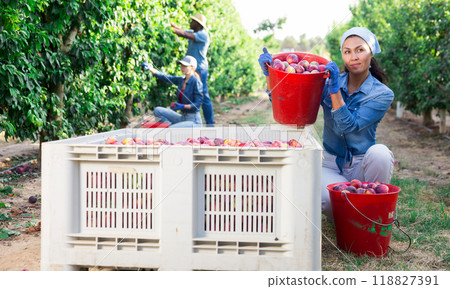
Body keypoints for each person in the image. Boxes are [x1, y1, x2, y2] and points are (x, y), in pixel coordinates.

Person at [258, 27, 395, 220]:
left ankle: (372, 210)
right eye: (347, 51)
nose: (353, 57)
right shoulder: (331, 81)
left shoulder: (382, 94)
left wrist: (334, 91)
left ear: (371, 53)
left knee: (380, 154)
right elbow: (291, 105)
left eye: (360, 50)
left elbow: (349, 125)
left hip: (362, 163)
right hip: (331, 164)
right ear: (342, 56)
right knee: (327, 201)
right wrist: (271, 76)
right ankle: (350, 213)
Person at [170, 14, 215, 126]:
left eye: (192, 21)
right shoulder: (193, 32)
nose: (190, 22)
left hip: (200, 68)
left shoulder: (203, 35)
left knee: (203, 94)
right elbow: (181, 30)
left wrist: (171, 29)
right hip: (192, 66)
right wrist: (170, 24)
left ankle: (209, 123)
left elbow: (184, 34)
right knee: (198, 93)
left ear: (198, 24)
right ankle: (193, 118)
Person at [142, 56, 203, 128]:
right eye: (181, 66)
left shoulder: (196, 82)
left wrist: (183, 106)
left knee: (171, 129)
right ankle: (171, 127)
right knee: (157, 110)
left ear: (192, 68)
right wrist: (150, 69)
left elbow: (197, 104)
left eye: (185, 66)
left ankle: (171, 128)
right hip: (183, 118)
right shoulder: (181, 80)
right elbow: (166, 77)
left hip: (193, 121)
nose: (181, 68)